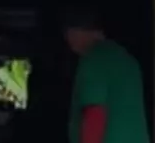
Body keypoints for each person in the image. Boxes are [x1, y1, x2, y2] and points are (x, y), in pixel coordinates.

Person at [63, 9, 150, 143]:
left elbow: (95, 113)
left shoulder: (93, 59)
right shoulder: (127, 59)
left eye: (68, 33)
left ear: (76, 32)